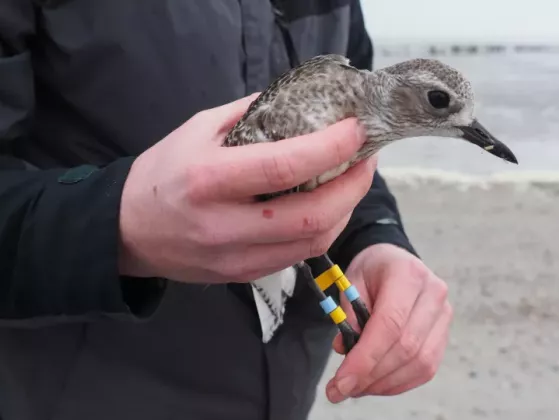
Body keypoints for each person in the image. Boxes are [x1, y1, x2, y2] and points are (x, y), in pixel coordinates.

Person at [0, 1, 453, 419]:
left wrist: (375, 239)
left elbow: (346, 145)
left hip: (290, 384)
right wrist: (116, 224)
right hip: (86, 392)